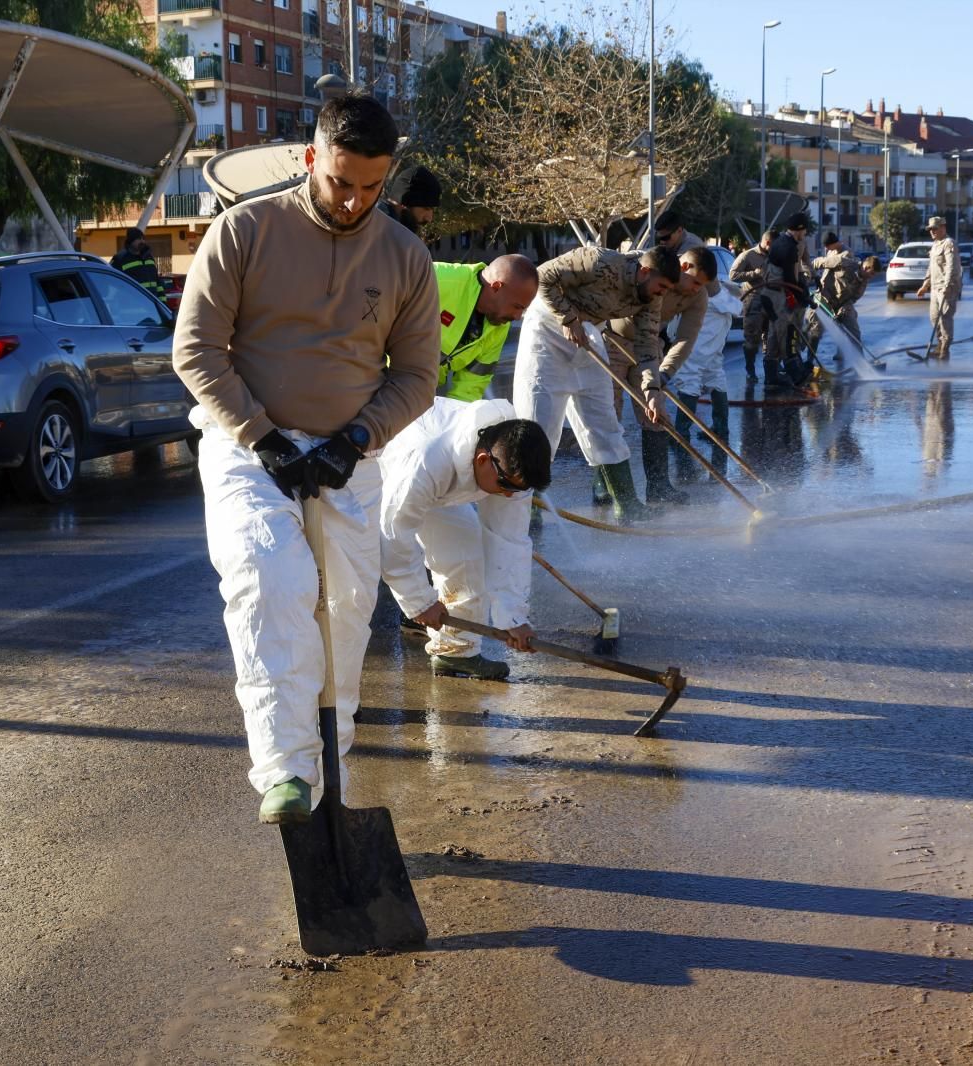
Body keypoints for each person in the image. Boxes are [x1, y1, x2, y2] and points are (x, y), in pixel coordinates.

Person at [172, 93, 440, 826]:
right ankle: (286, 772)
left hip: (349, 457)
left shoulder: (404, 255)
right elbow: (195, 351)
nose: (354, 201)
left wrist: (358, 439)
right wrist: (262, 438)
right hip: (247, 450)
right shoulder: (244, 231)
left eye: (371, 187)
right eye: (340, 182)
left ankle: (327, 778)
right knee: (269, 580)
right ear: (311, 158)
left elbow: (418, 376)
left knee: (347, 614)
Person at [379, 400, 552, 680]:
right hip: (378, 472)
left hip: (443, 488)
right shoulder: (424, 462)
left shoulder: (511, 466)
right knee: (355, 582)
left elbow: (509, 541)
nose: (510, 496)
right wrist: (419, 602)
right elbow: (393, 532)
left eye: (517, 490)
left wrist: (514, 618)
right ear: (483, 461)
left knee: (467, 553)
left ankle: (456, 652)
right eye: (505, 487)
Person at [514, 244, 680, 523]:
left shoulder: (651, 297)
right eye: (661, 286)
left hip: (588, 334)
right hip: (547, 330)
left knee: (603, 419)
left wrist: (652, 391)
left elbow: (648, 344)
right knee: (538, 420)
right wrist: (567, 318)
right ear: (645, 272)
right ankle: (528, 510)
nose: (662, 294)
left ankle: (627, 505)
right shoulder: (599, 260)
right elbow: (541, 277)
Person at [607, 246, 718, 505]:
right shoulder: (650, 268)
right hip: (613, 341)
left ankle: (658, 486)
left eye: (702, 286)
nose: (696, 289)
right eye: (695, 282)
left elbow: (686, 338)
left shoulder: (697, 297)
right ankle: (605, 487)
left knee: (656, 414)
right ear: (683, 267)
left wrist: (665, 373)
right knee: (608, 415)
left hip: (649, 349)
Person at [668, 271, 745, 480]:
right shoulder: (723, 299)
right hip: (713, 352)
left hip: (693, 350)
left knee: (688, 386)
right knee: (717, 383)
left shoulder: (704, 296)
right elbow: (739, 306)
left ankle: (681, 434)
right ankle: (721, 430)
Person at [433, 255, 538, 401]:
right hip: (392, 379)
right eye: (516, 307)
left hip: (417, 391)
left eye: (523, 310)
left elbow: (470, 386)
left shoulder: (500, 326)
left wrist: (457, 419)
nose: (518, 317)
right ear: (495, 287)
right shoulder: (438, 279)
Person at [759, 213, 813, 391]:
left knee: (775, 333)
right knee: (786, 333)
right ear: (799, 229)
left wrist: (803, 291)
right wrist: (803, 297)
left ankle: (771, 377)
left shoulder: (781, 241)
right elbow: (790, 278)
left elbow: (793, 276)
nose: (805, 233)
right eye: (804, 229)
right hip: (776, 296)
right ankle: (796, 374)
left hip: (769, 294)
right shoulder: (789, 247)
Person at [806, 233, 878, 360]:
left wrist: (846, 307)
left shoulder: (864, 280)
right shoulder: (845, 261)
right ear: (866, 267)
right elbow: (818, 262)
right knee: (815, 329)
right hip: (825, 297)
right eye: (871, 273)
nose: (871, 277)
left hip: (842, 303)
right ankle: (809, 360)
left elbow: (855, 297)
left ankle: (861, 361)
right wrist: (811, 274)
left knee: (853, 327)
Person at [730, 229, 775, 382]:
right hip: (753, 300)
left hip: (772, 299)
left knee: (771, 337)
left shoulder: (774, 256)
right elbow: (733, 275)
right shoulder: (748, 255)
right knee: (751, 338)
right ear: (768, 242)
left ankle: (771, 369)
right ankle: (750, 369)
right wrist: (754, 274)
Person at [915, 215, 962, 360]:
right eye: (930, 229)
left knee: (945, 318)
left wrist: (947, 285)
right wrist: (925, 286)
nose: (932, 232)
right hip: (935, 287)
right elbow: (931, 268)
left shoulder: (949, 243)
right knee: (934, 317)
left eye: (935, 229)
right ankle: (939, 344)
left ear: (943, 228)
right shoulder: (935, 245)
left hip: (946, 286)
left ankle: (945, 349)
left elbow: (952, 267)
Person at [380, 164, 441, 236]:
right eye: (426, 208)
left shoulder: (392, 229)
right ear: (404, 202)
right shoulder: (377, 227)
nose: (429, 218)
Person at [109, 226, 166, 300]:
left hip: (152, 306)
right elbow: (113, 282)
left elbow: (158, 283)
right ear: (131, 241)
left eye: (143, 239)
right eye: (139, 239)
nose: (142, 241)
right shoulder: (120, 259)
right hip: (132, 307)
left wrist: (162, 302)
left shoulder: (149, 258)